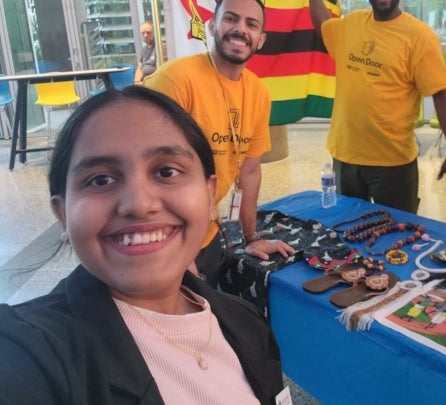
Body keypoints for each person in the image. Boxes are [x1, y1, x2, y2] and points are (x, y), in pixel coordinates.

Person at [0, 86, 285, 405]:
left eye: (167, 171)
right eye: (100, 180)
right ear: (63, 215)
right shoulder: (27, 350)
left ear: (209, 195)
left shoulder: (247, 321)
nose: (138, 204)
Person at [146, 0, 294, 284]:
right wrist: (178, 253)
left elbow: (250, 171)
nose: (240, 29)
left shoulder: (258, 93)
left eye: (251, 24)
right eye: (231, 19)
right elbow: (148, 173)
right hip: (161, 241)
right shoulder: (176, 80)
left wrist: (251, 237)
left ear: (260, 40)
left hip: (209, 234)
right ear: (212, 26)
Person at [308, 0, 446, 213]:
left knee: (397, 236)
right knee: (347, 231)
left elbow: (442, 95)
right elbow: (322, 24)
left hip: (393, 163)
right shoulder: (352, 23)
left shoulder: (419, 36)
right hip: (345, 157)